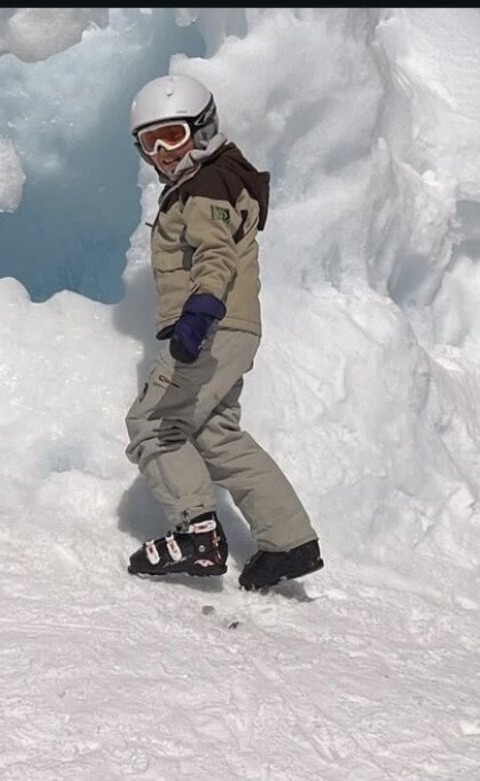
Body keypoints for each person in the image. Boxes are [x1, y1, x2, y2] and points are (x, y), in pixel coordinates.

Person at [124, 74, 323, 592]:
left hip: (212, 324)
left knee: (154, 423)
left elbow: (215, 252)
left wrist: (202, 308)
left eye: (175, 136)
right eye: (152, 142)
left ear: (204, 128)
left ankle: (196, 534)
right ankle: (289, 542)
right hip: (236, 328)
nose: (165, 152)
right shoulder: (220, 178)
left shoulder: (205, 184)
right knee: (216, 434)